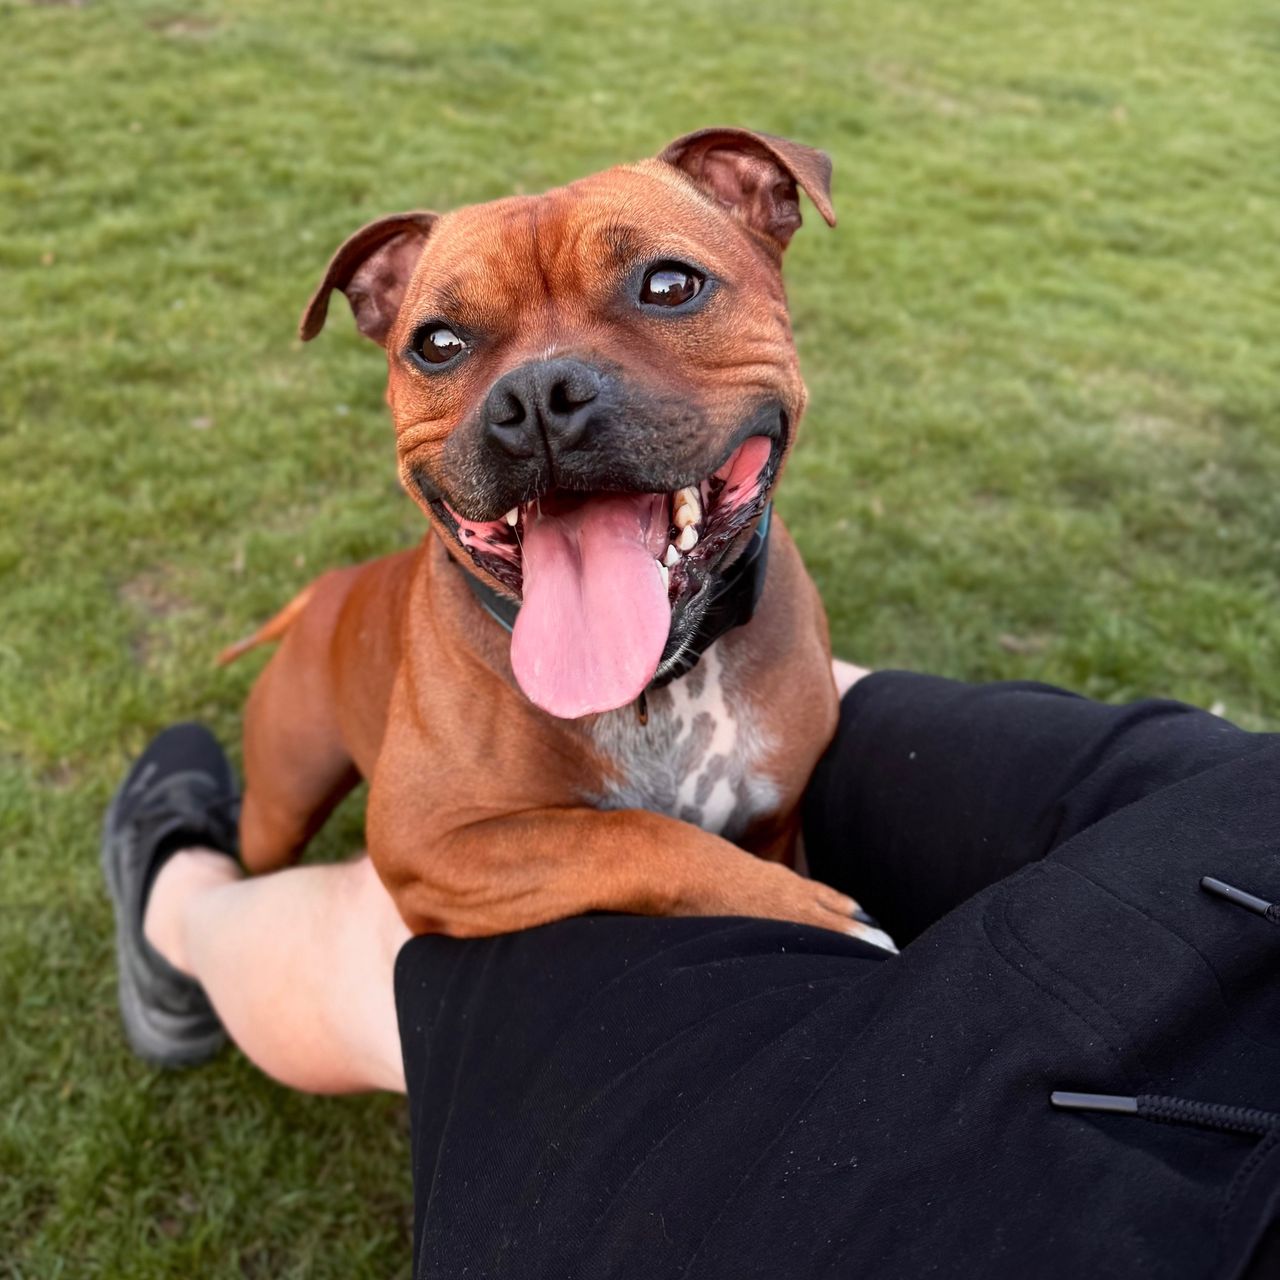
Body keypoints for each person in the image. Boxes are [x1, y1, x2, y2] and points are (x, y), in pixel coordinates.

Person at [101, 661, 1280, 1278]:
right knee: (834, 715)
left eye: (668, 292)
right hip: (1243, 831)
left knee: (418, 934)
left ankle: (177, 908)